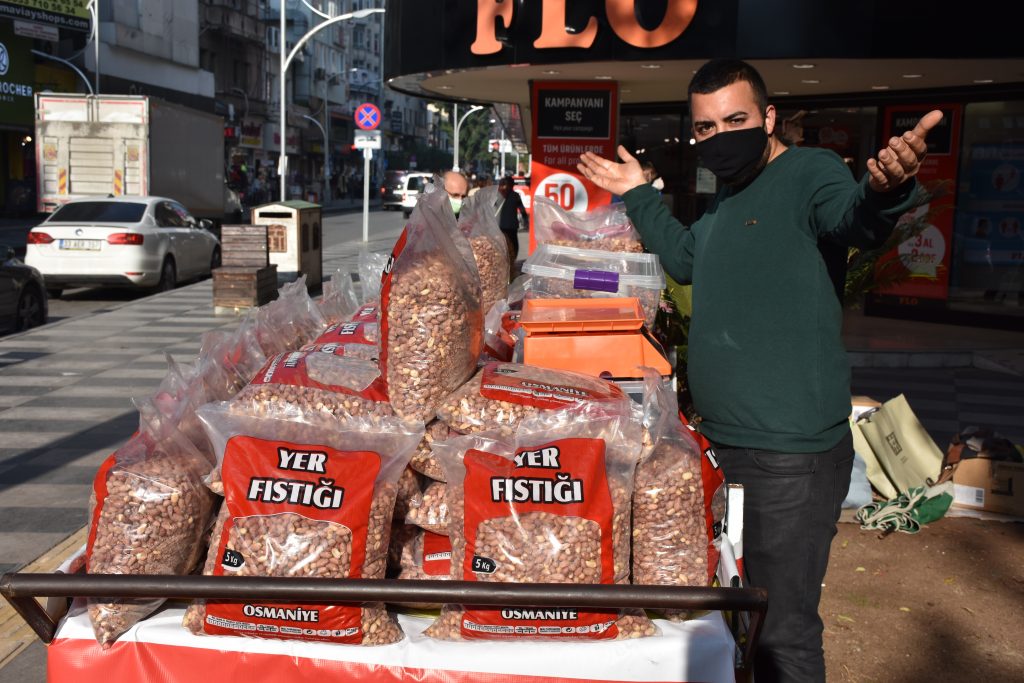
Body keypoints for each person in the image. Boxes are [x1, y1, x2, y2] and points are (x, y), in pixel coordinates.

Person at [578, 59, 942, 683]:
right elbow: (688, 259)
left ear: (770, 118)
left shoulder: (809, 172)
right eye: (706, 128)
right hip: (721, 448)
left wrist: (886, 188)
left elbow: (852, 216)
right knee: (730, 622)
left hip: (788, 460)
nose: (721, 136)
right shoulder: (730, 196)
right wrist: (639, 191)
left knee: (783, 635)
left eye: (737, 120)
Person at [495, 175, 529, 263]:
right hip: (510, 226)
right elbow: (522, 209)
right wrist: (525, 220)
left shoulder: (498, 195)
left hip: (501, 225)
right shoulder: (515, 195)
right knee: (513, 245)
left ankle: (504, 261)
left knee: (503, 244)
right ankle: (510, 260)